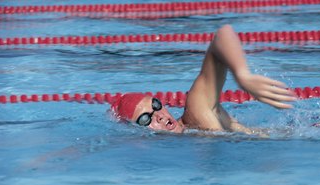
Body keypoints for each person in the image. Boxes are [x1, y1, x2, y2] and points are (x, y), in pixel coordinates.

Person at [111, 25, 297, 135]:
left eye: (156, 105)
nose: (159, 115)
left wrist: (242, 75)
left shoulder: (196, 113)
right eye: (145, 119)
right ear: (137, 131)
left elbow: (223, 35)